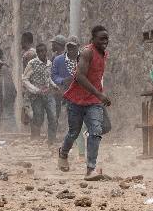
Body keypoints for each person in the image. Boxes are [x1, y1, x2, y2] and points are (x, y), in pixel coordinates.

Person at [59, 25, 111, 180]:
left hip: (93, 101)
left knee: (96, 131)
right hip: (77, 99)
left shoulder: (104, 53)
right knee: (74, 132)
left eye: (107, 38)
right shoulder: (87, 52)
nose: (105, 41)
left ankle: (90, 169)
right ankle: (63, 152)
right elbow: (80, 76)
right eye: (101, 39)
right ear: (93, 39)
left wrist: (98, 96)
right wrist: (99, 94)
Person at [23, 42, 57, 145]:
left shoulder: (49, 63)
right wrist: (35, 90)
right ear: (37, 53)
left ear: (46, 51)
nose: (41, 53)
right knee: (38, 117)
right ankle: (35, 137)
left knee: (53, 116)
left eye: (43, 51)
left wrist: (54, 85)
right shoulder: (32, 64)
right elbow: (25, 79)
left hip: (47, 94)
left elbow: (48, 77)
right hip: (36, 96)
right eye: (39, 52)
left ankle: (51, 140)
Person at [0, 46, 17, 134]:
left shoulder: (2, 68)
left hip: (7, 95)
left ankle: (15, 134)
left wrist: (6, 98)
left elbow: (6, 84)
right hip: (0, 96)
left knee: (8, 115)